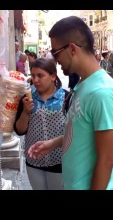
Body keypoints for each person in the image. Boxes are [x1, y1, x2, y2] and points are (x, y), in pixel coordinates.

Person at [28, 16, 113, 190]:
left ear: (72, 49)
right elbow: (83, 132)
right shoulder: (83, 84)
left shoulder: (102, 92)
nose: (54, 60)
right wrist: (53, 143)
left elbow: (106, 159)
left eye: (55, 53)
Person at [13, 57, 71, 190]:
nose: (36, 80)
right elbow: (20, 130)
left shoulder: (67, 98)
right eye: (33, 76)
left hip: (60, 160)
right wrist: (26, 112)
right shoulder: (27, 98)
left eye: (40, 75)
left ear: (53, 76)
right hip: (34, 160)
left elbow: (74, 130)